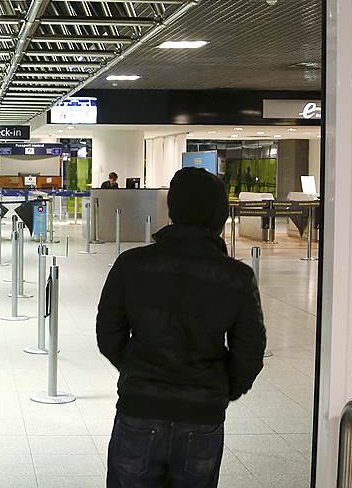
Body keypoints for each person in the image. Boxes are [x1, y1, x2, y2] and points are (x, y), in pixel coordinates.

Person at [97, 167, 266, 488]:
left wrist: (137, 370)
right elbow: (250, 351)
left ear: (172, 209)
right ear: (220, 216)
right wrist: (220, 389)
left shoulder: (132, 264)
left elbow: (108, 334)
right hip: (202, 415)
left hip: (139, 407)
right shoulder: (236, 276)